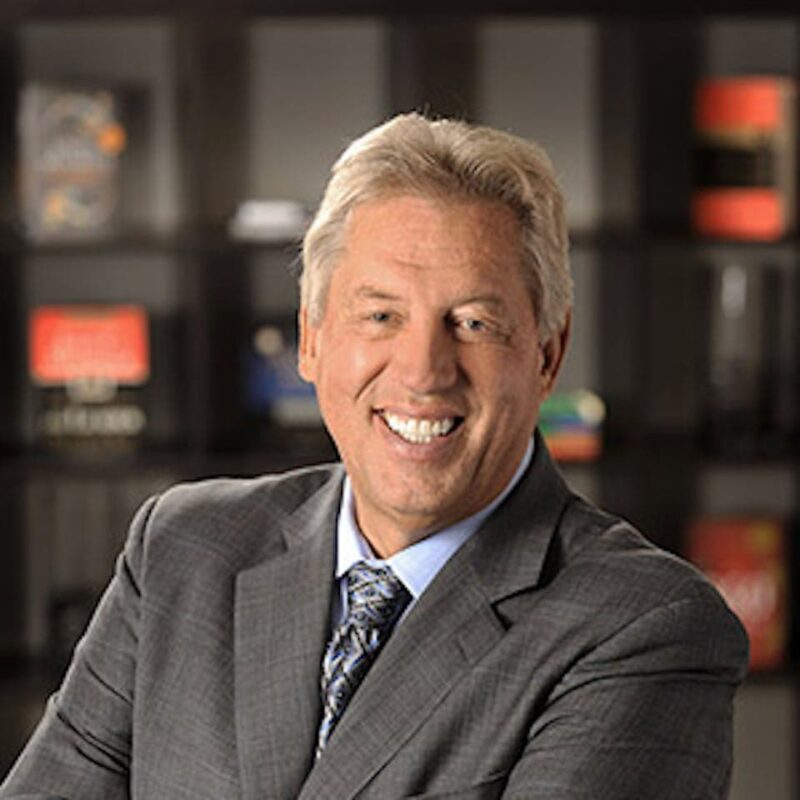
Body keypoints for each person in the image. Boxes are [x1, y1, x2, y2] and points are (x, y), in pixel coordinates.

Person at [1, 112, 748, 799]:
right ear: (312, 339)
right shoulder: (180, 550)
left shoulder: (646, 627)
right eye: (381, 314)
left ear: (548, 355)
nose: (424, 371)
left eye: (475, 322)